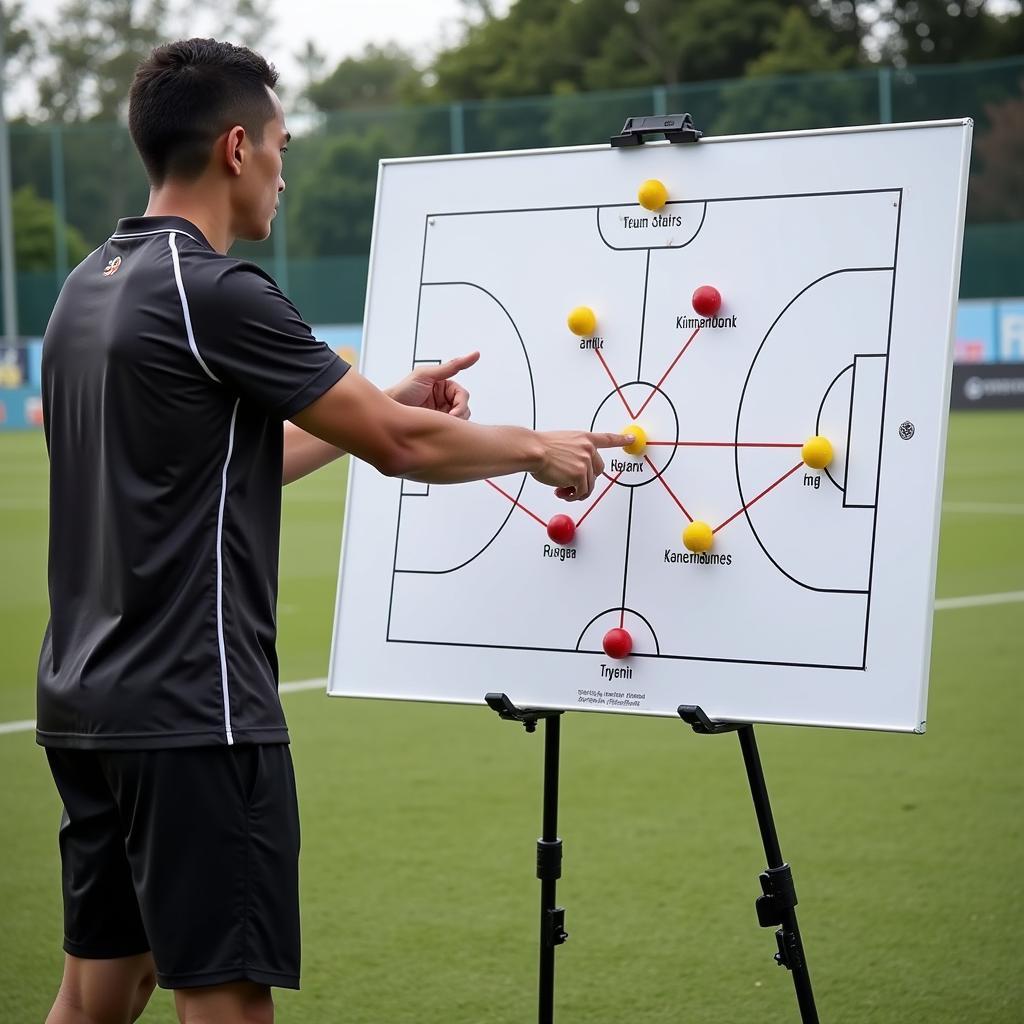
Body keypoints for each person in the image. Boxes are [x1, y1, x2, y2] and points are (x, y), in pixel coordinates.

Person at [37, 37, 628, 1024]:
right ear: (235, 148)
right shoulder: (218, 291)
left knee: (102, 989)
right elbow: (401, 445)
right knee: (223, 999)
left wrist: (376, 406)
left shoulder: (85, 290)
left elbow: (233, 462)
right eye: (280, 145)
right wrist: (534, 448)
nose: (282, 168)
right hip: (197, 714)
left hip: (86, 706)